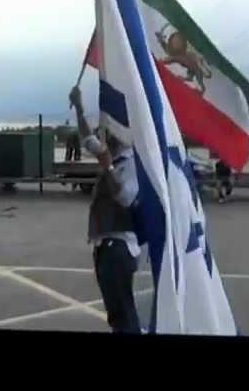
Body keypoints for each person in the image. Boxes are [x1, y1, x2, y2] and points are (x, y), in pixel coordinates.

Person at [69, 86, 142, 334]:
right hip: (106, 246)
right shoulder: (111, 153)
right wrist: (78, 106)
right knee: (117, 313)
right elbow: (86, 139)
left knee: (122, 315)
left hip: (118, 247)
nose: (103, 134)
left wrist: (108, 168)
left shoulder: (130, 162)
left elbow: (126, 198)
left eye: (108, 129)